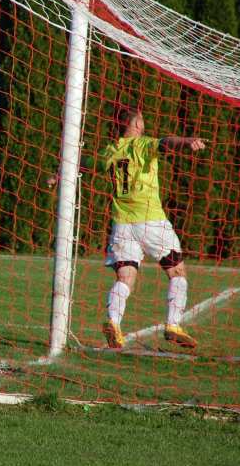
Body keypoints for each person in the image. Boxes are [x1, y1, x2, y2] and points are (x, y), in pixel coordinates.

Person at [50, 108, 206, 349]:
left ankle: (113, 322)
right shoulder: (142, 145)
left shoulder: (110, 151)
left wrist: (58, 175)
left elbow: (81, 164)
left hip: (122, 224)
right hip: (151, 220)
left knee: (125, 277)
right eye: (142, 118)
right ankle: (173, 325)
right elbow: (167, 142)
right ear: (136, 124)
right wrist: (187, 142)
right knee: (177, 272)